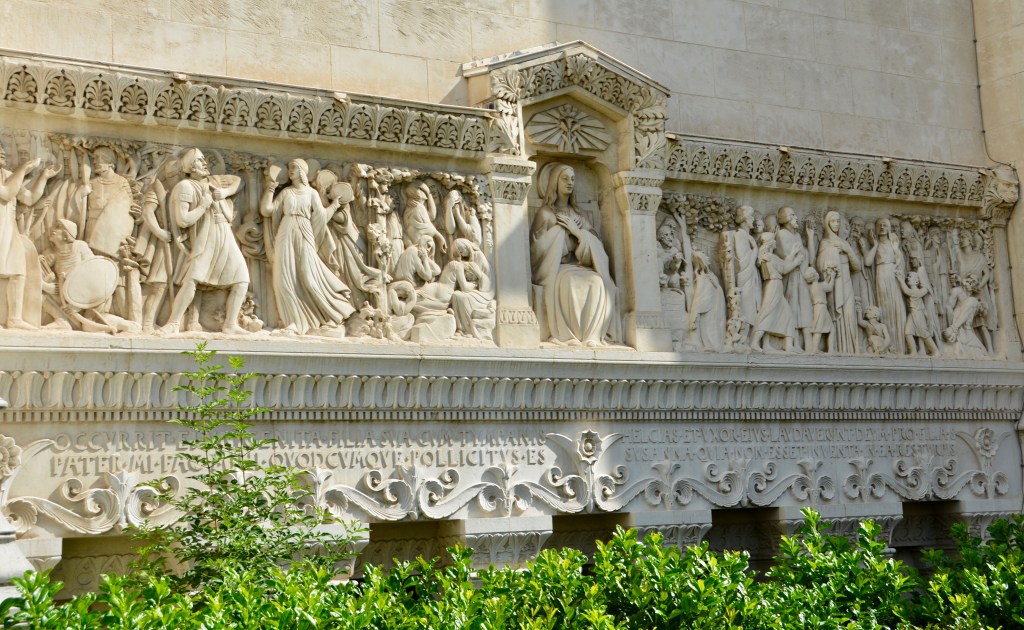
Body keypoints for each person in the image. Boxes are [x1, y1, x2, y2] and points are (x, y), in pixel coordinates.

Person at [260, 158, 356, 337]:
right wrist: (270, 188)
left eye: (294, 168)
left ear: (303, 171)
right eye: (289, 168)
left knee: (309, 275)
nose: (290, 171)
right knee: (283, 278)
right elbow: (266, 210)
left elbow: (321, 216)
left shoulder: (311, 193)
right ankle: (292, 323)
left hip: (305, 232)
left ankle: (332, 314)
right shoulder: (286, 192)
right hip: (285, 232)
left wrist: (335, 205)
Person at [158, 148, 248, 335]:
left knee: (242, 279)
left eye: (204, 159)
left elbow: (240, 181)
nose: (205, 163)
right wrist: (203, 205)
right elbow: (183, 220)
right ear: (190, 166)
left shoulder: (214, 183)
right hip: (205, 237)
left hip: (225, 235)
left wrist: (224, 193)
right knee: (192, 279)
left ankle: (230, 324)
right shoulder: (185, 187)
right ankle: (173, 322)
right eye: (200, 160)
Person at [530, 163, 618, 346]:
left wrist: (578, 233)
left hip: (579, 265)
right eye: (564, 178)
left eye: (572, 179)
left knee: (597, 281)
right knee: (569, 282)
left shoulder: (579, 215)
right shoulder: (546, 214)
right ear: (555, 182)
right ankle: (567, 336)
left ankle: (592, 336)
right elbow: (536, 251)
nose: (569, 182)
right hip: (556, 269)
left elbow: (598, 248)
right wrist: (561, 234)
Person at [0, 145, 45, 329]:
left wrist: (44, 176)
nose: (2, 153)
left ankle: (14, 318)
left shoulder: (8, 175)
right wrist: (24, 168)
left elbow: (29, 198)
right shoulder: (14, 176)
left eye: (3, 151)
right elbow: (7, 193)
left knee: (18, 271)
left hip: (9, 229)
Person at [816, 210, 863, 354]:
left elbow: (857, 267)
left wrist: (847, 250)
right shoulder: (825, 242)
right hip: (834, 283)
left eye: (838, 221)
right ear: (827, 223)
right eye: (833, 221)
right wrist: (831, 258)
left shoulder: (844, 243)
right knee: (836, 314)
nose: (836, 224)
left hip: (846, 282)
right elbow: (819, 265)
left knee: (849, 314)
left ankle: (851, 350)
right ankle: (836, 348)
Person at [751, 232, 801, 352]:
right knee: (767, 313)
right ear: (771, 243)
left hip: (773, 285)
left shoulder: (767, 256)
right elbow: (784, 269)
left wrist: (793, 253)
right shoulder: (769, 256)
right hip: (774, 285)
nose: (775, 242)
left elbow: (783, 264)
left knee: (786, 315)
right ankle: (754, 342)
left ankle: (787, 345)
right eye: (774, 240)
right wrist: (797, 262)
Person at [864, 218, 907, 353]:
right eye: (879, 225)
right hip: (881, 275)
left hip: (893, 276)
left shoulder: (894, 243)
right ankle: (887, 345)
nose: (882, 227)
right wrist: (875, 245)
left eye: (885, 225)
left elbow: (901, 263)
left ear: (889, 228)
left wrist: (896, 249)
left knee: (898, 308)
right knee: (885, 307)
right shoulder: (875, 244)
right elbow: (867, 262)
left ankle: (900, 347)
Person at [720, 205, 761, 344]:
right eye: (750, 216)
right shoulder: (740, 235)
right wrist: (755, 250)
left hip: (751, 276)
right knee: (747, 308)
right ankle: (742, 339)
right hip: (745, 277)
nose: (753, 219)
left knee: (752, 308)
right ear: (744, 219)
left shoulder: (747, 236)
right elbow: (743, 262)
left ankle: (748, 340)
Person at [898, 271, 939, 356]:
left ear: (917, 281)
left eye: (910, 276)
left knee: (924, 333)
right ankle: (913, 351)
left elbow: (907, 291)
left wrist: (900, 279)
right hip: (912, 313)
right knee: (908, 332)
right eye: (907, 276)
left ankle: (935, 351)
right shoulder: (918, 291)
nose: (908, 278)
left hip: (918, 313)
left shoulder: (917, 292)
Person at [804, 266, 835, 354]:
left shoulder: (811, 286)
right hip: (822, 308)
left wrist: (828, 276)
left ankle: (816, 349)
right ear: (815, 276)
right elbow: (830, 287)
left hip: (817, 308)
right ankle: (828, 350)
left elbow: (825, 283)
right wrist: (832, 277)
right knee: (825, 329)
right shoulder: (820, 285)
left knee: (819, 328)